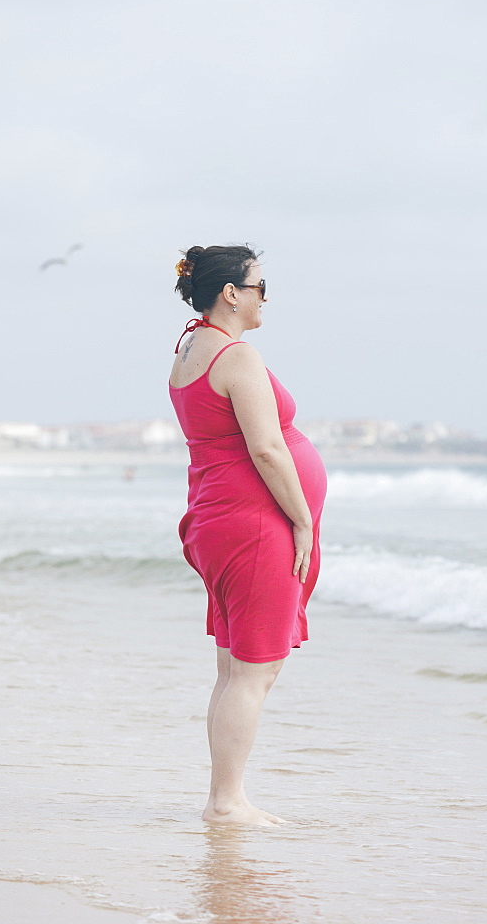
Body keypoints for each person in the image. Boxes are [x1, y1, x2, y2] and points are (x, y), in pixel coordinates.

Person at [169, 244, 327, 826]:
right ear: (231, 293)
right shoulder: (236, 356)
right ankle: (226, 802)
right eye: (261, 286)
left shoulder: (190, 348)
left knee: (235, 669)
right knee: (254, 670)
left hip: (220, 518)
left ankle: (223, 798)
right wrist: (303, 519)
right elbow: (266, 447)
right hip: (253, 525)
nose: (267, 298)